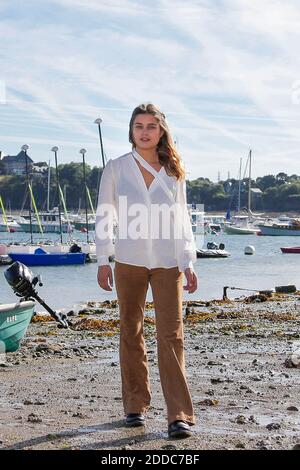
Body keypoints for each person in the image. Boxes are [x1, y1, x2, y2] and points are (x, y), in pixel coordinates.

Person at [96, 103, 198, 439]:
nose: (144, 131)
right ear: (131, 131)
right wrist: (102, 260)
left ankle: (178, 415)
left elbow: (182, 220)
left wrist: (189, 262)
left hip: (169, 264)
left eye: (151, 126)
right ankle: (135, 407)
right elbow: (104, 216)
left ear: (161, 131)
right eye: (138, 126)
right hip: (128, 261)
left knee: (171, 335)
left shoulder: (173, 172)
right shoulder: (117, 168)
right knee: (131, 331)